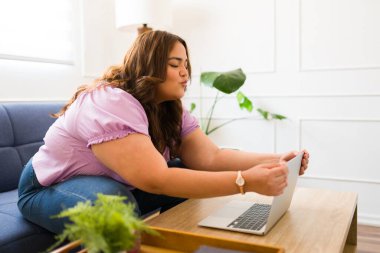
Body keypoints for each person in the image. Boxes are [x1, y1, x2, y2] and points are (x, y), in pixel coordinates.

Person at [18, 30, 309, 234]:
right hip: (46, 185)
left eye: (186, 64)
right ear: (149, 66)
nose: (185, 72)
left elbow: (211, 157)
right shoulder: (109, 101)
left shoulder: (170, 109)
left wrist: (276, 160)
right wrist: (245, 182)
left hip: (109, 179)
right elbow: (156, 179)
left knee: (184, 171)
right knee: (112, 203)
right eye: (174, 64)